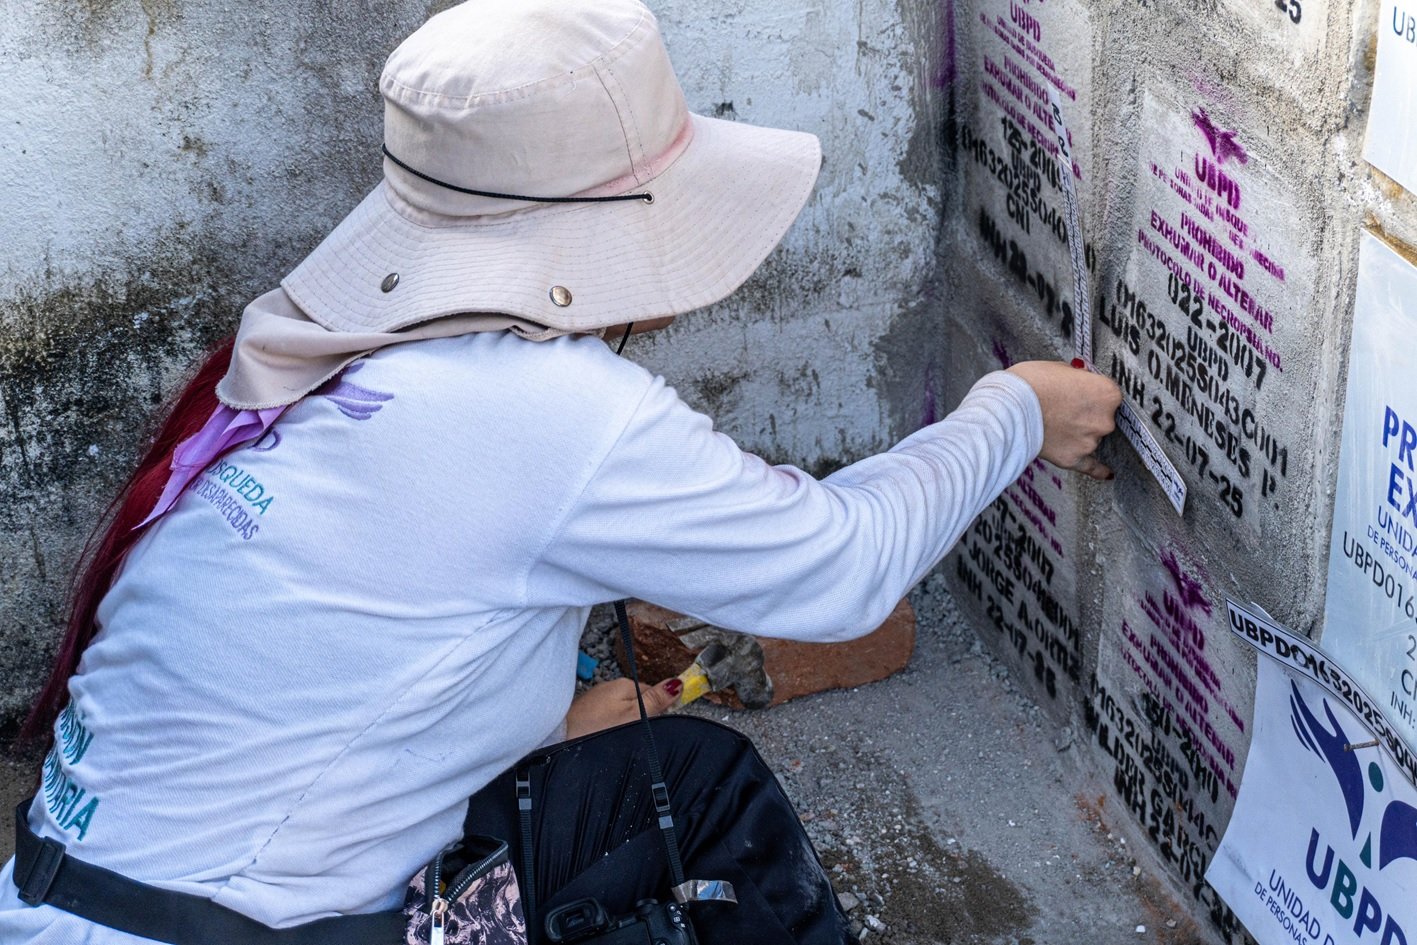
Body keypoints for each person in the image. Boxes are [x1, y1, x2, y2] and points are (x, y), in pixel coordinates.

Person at [1, 0, 1122, 942]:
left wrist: (534, 717)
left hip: (69, 889)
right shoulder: (547, 410)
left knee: (680, 779)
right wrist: (1015, 411)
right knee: (696, 806)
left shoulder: (343, 338)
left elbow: (348, 649)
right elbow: (839, 573)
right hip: (217, 928)